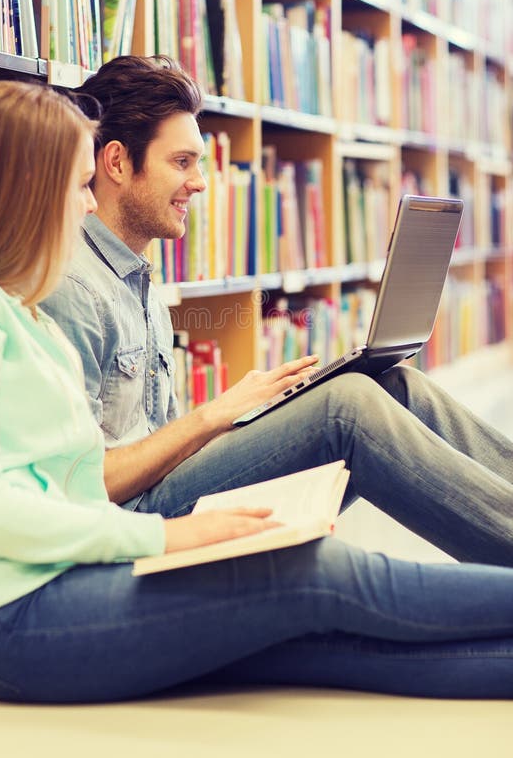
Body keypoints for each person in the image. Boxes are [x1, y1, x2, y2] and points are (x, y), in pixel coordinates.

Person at [0, 80, 513, 703]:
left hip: (53, 576)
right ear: (27, 194)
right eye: (76, 185)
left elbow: (67, 481)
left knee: (323, 640)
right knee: (310, 576)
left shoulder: (19, 309)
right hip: (3, 615)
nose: (87, 205)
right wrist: (168, 536)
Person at [42, 55, 513, 570]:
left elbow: (158, 440)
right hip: (137, 525)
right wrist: (213, 416)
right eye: (181, 162)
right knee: (347, 407)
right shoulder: (71, 287)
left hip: (167, 489)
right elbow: (83, 486)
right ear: (116, 163)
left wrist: (255, 420)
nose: (199, 182)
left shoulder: (140, 277)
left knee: (395, 385)